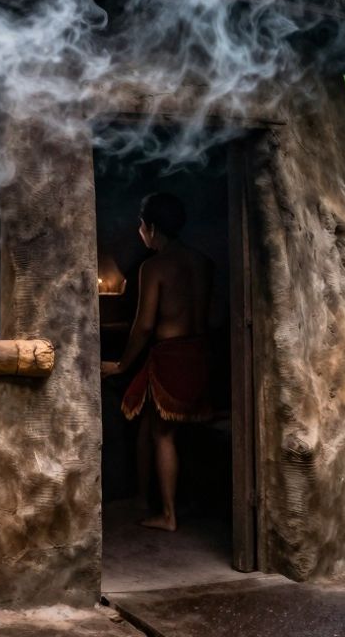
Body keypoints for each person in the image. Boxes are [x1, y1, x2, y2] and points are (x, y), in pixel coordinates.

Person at [101, 192, 214, 532]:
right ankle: (142, 498)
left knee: (163, 434)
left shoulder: (154, 267)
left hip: (171, 356)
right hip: (199, 352)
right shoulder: (202, 262)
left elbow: (145, 325)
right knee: (150, 426)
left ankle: (168, 514)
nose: (140, 232)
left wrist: (121, 365)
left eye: (141, 225)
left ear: (150, 227)